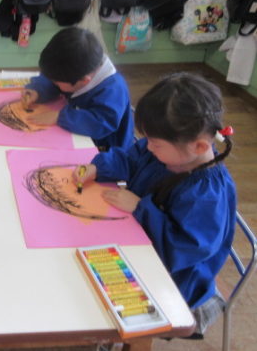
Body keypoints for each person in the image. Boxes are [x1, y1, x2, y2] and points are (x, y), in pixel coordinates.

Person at [73, 72, 236, 337]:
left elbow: (183, 249)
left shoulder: (206, 195)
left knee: (88, 298)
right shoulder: (166, 151)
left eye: (155, 143)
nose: (148, 147)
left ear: (198, 146)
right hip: (140, 242)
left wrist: (140, 208)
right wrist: (98, 168)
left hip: (175, 282)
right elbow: (130, 157)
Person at [21, 27, 134, 151]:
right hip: (77, 135)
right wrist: (38, 90)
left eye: (57, 82)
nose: (53, 82)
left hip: (107, 150)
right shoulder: (76, 69)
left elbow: (100, 123)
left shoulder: (113, 91)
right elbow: (53, 78)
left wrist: (60, 117)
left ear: (84, 80)